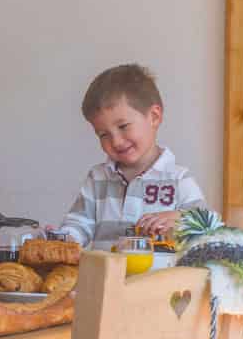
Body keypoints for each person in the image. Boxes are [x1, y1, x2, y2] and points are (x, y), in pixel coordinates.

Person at [59, 63, 206, 246]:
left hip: (160, 266)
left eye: (123, 126)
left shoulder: (179, 180)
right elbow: (78, 224)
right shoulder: (97, 178)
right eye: (103, 134)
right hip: (107, 266)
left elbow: (207, 227)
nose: (116, 141)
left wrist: (181, 221)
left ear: (154, 117)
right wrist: (63, 238)